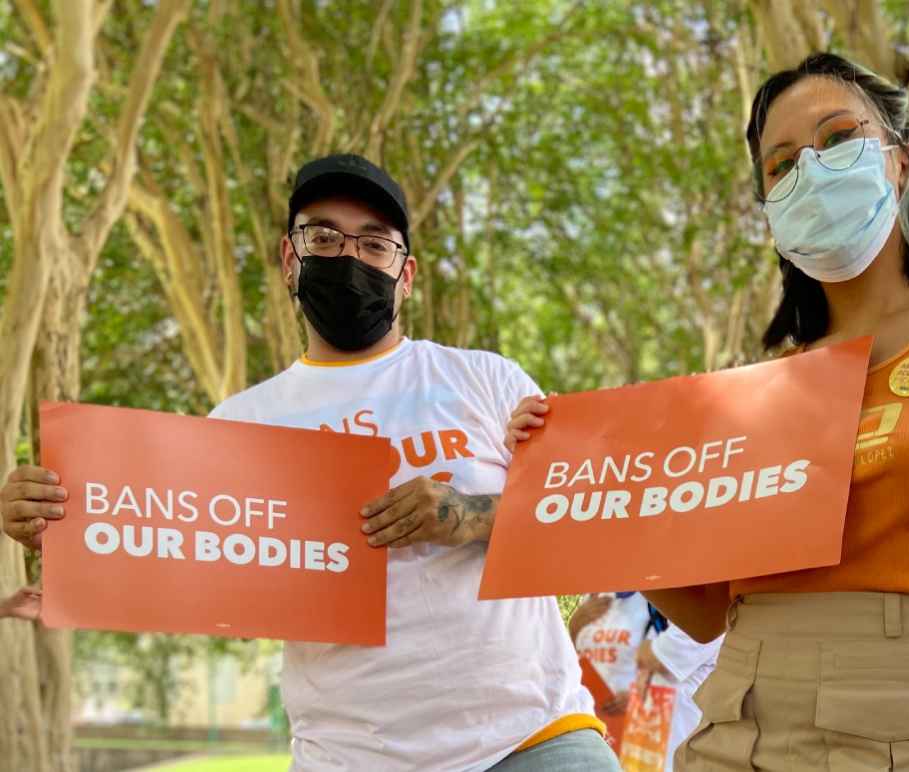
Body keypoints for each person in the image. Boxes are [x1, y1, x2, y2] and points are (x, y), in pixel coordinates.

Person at [508, 53, 909, 771]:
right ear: (769, 208)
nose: (810, 170)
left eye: (838, 138)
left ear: (903, 162)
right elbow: (703, 609)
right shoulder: (754, 388)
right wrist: (582, 479)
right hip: (736, 726)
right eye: (781, 165)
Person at [1, 154, 617, 772]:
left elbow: (586, 521)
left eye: (375, 244)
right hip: (348, 757)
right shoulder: (239, 423)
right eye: (324, 237)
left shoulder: (486, 379)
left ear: (406, 275)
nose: (349, 258)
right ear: (290, 259)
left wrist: (470, 513)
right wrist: (76, 539)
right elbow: (219, 591)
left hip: (534, 740)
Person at [570, 592, 721, 772]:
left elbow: (670, 656)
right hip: (604, 731)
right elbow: (576, 660)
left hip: (659, 736)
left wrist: (635, 695)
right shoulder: (595, 596)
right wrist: (574, 626)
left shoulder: (675, 596)